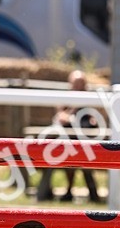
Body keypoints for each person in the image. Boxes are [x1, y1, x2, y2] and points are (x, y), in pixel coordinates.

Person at [36, 70, 103, 203]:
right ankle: (48, 193)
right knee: (57, 156)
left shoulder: (91, 100)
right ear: (70, 84)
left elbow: (97, 122)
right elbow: (60, 118)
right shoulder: (65, 98)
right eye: (76, 84)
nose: (79, 87)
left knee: (84, 161)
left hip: (85, 147)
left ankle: (91, 194)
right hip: (64, 146)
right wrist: (74, 109)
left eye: (81, 84)